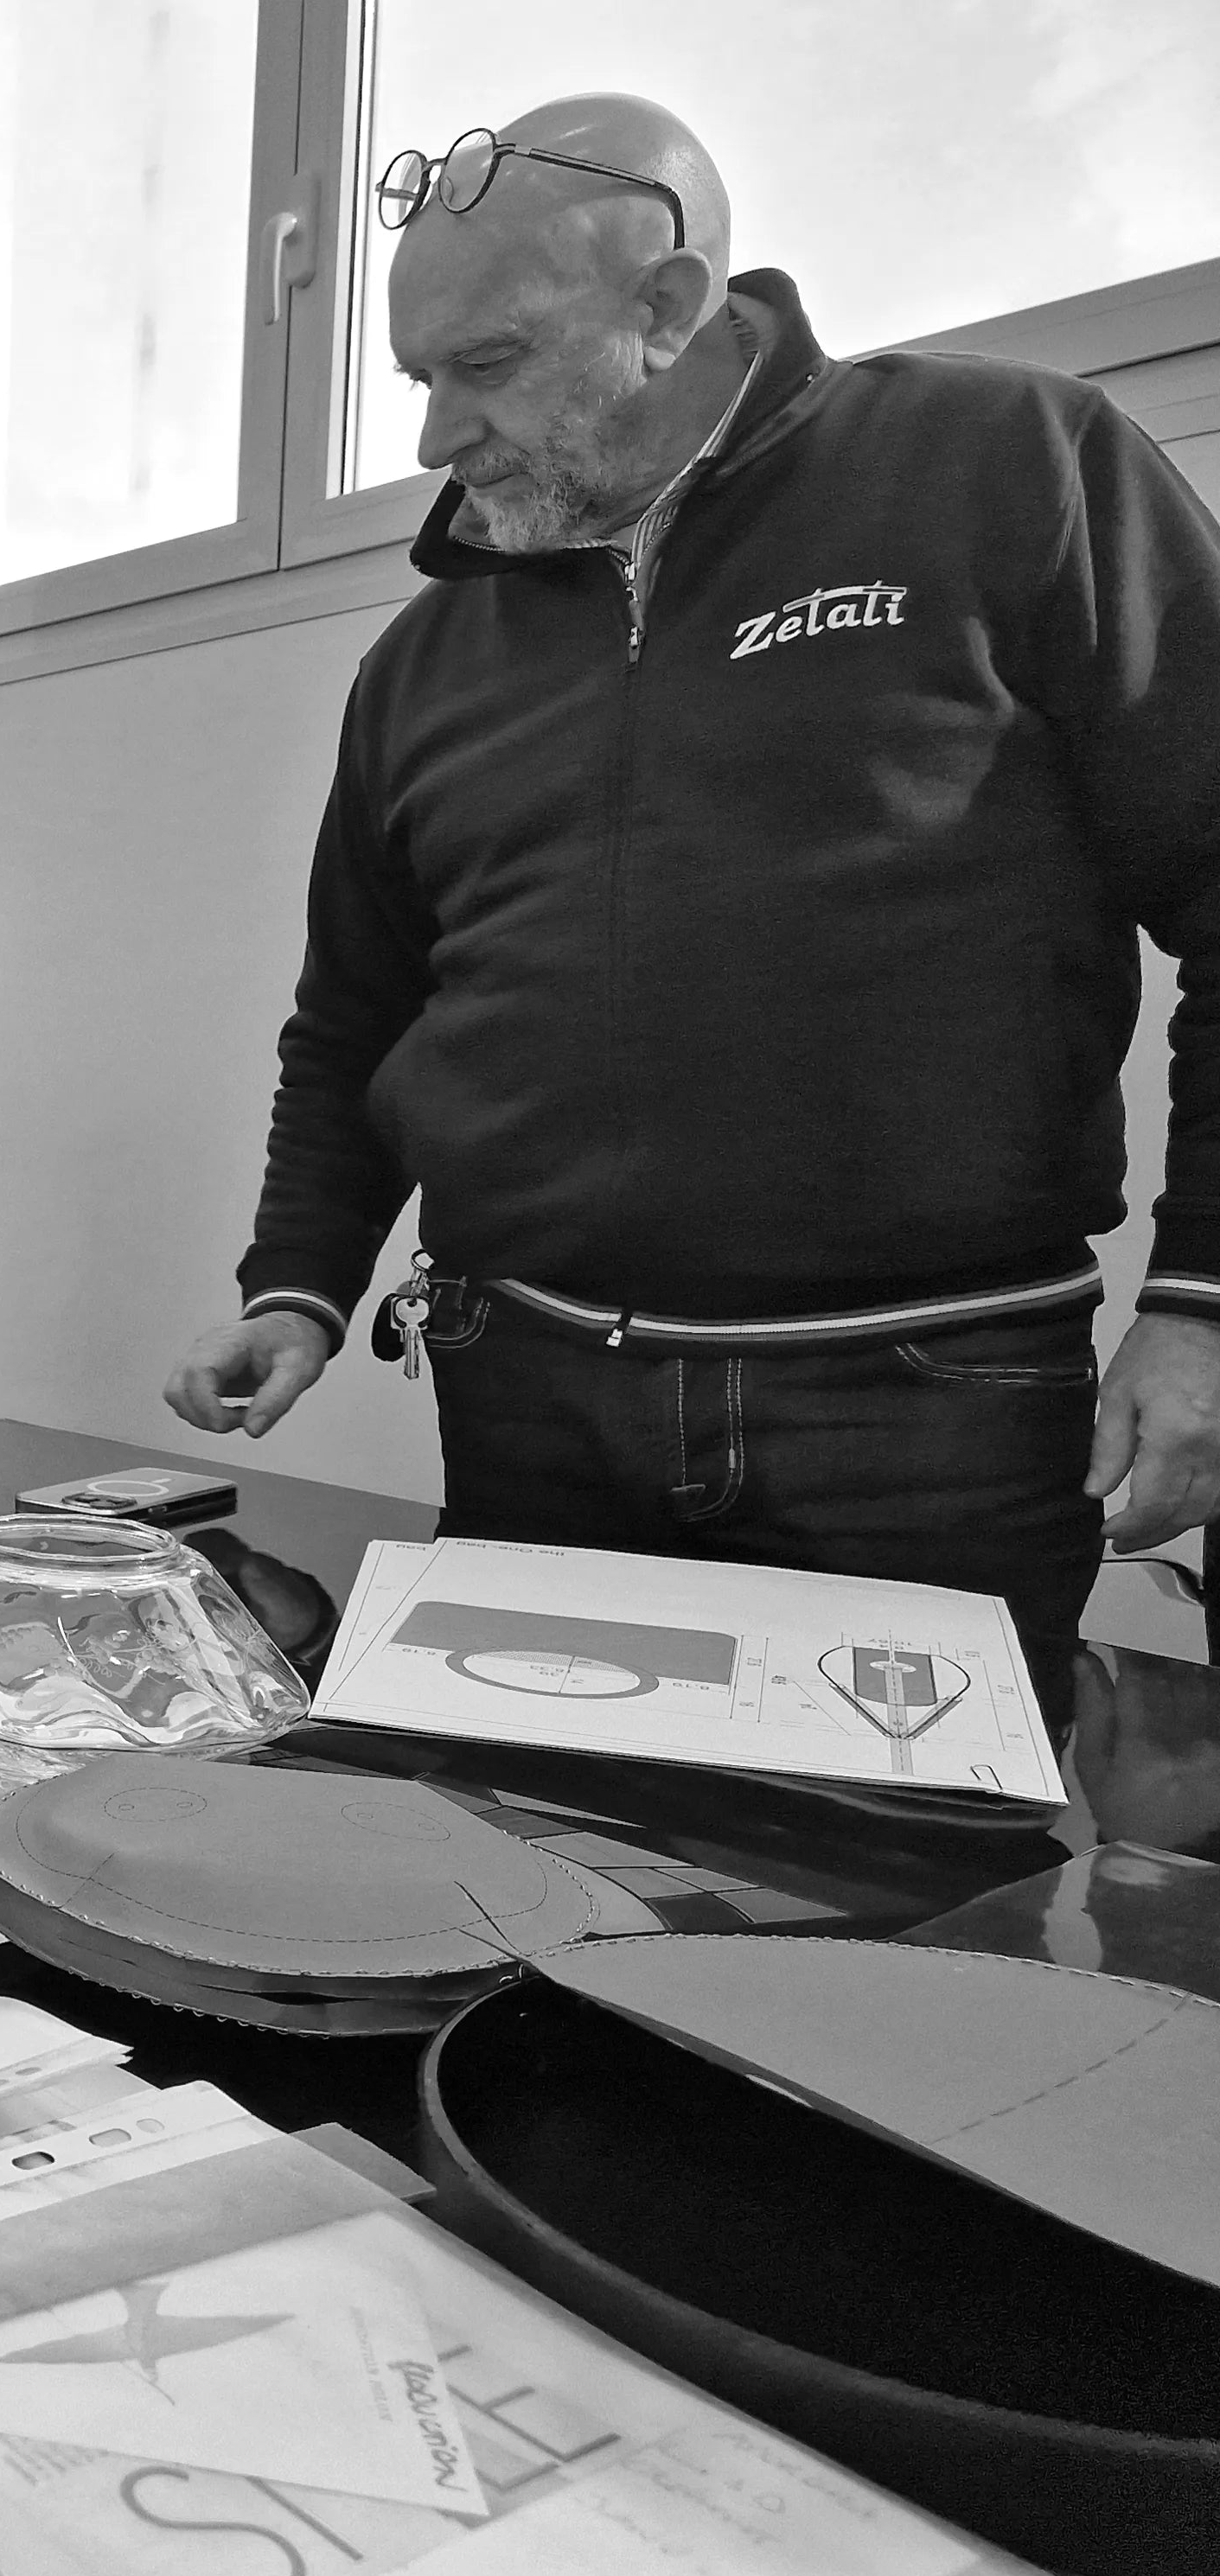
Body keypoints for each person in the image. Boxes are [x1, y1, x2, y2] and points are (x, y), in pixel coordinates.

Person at [163, 94, 1220, 1719]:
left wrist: (1204, 1305)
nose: (436, 437)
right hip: (528, 1399)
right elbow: (361, 1014)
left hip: (923, 1407)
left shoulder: (1010, 464)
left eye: (485, 365)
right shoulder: (423, 661)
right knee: (525, 1855)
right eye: (419, 379)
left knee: (909, 1869)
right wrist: (297, 1282)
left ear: (666, 305)